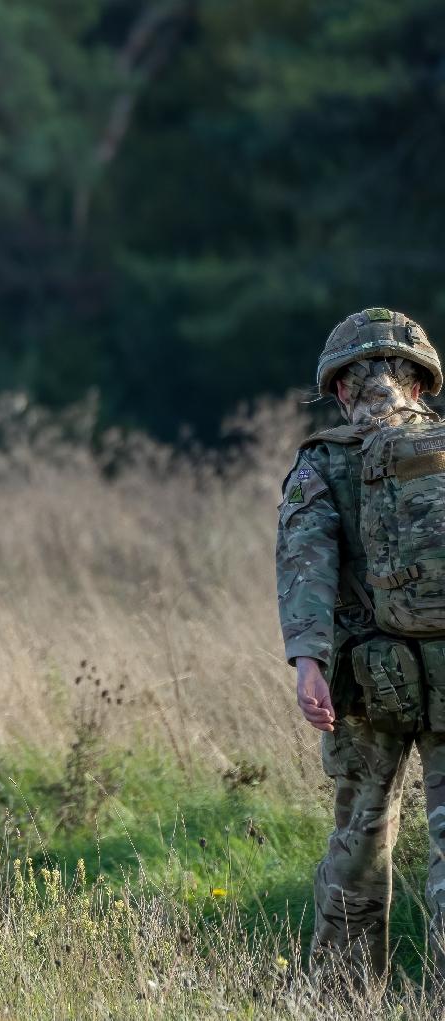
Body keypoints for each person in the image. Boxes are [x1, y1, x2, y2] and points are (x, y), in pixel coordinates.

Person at [277, 307, 445, 978]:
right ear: (422, 383)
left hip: (366, 684)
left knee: (359, 844)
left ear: (342, 387)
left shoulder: (324, 461)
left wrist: (308, 662)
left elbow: (306, 565)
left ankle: (343, 1000)